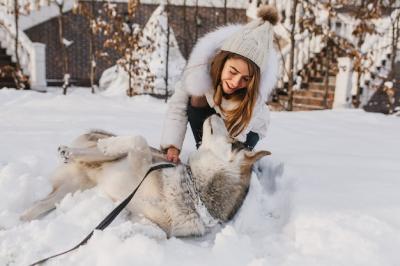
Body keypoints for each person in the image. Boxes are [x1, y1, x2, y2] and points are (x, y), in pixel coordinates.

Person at [161, 5, 279, 163]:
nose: (236, 82)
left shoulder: (254, 94)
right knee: (196, 96)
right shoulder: (200, 70)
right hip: (213, 115)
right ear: (221, 62)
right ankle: (202, 145)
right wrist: (172, 147)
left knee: (231, 160)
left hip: (245, 132)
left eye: (246, 78)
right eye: (233, 71)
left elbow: (236, 133)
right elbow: (177, 108)